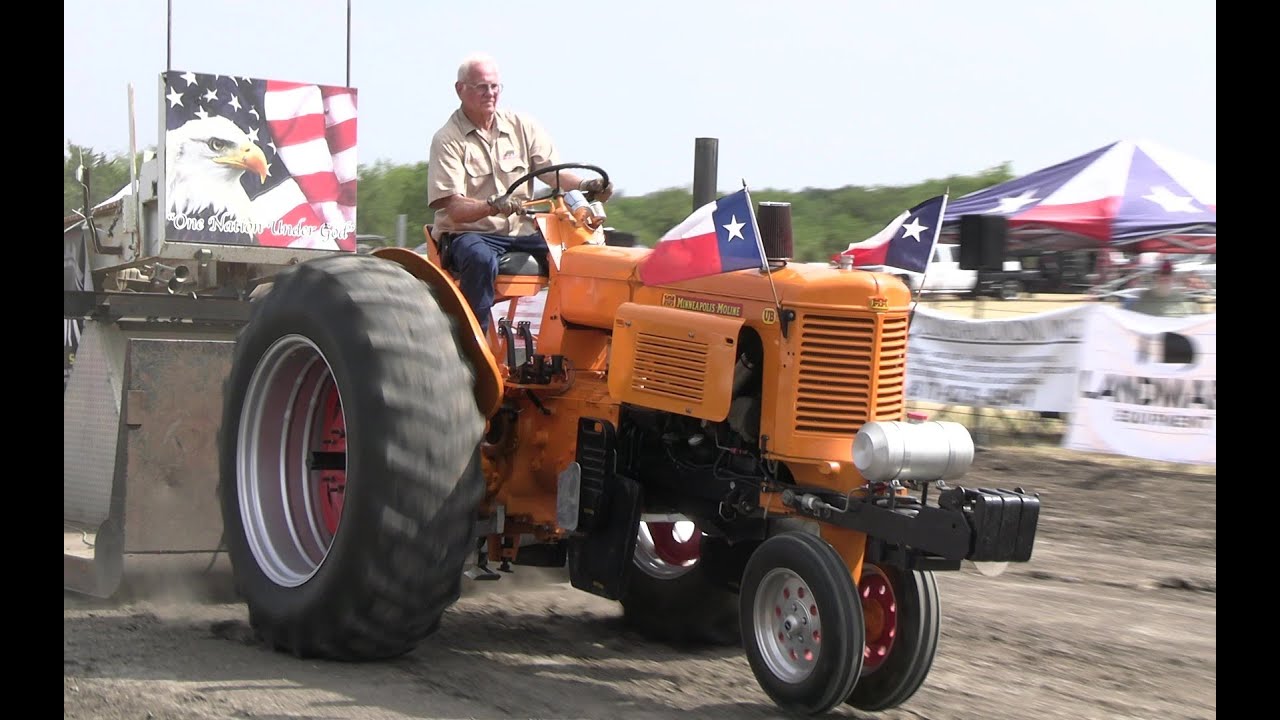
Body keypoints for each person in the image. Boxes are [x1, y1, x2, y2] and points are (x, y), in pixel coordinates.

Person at [427, 52, 613, 332]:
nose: (490, 93)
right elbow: (454, 207)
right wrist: (493, 205)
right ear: (460, 89)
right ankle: (473, 345)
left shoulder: (522, 127)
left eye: (494, 86)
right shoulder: (447, 140)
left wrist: (587, 187)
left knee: (583, 255)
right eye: (481, 87)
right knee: (479, 259)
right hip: (470, 233)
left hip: (521, 232)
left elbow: (553, 173)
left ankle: (575, 342)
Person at [1128, 259, 1198, 317]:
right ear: (1155, 276)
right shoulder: (1143, 297)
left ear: (1173, 276)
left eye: (1168, 273)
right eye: (1162, 273)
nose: (1165, 276)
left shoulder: (1183, 299)